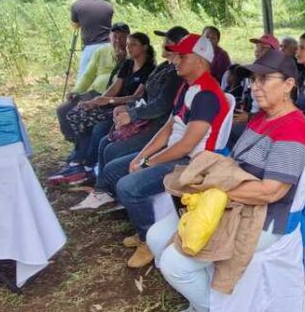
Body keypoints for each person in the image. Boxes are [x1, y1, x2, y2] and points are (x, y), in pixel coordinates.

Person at [145, 48, 305, 312]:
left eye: (264, 79)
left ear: (289, 85)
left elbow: (270, 192)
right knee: (156, 236)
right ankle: (201, 303)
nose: (255, 87)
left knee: (175, 263)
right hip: (232, 203)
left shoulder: (294, 130)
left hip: (265, 218)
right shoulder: (262, 118)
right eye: (254, 79)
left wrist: (216, 186)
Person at [96, 33, 230, 268]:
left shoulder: (206, 95)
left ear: (200, 60)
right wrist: (141, 156)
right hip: (176, 153)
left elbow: (187, 145)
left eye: (182, 56)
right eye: (176, 55)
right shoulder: (187, 87)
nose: (175, 60)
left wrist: (149, 162)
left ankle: (149, 239)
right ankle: (147, 225)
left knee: (127, 186)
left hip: (194, 163)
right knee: (114, 169)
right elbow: (169, 128)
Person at [70, 27, 185, 210]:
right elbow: (144, 96)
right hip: (146, 119)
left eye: (168, 41)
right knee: (105, 142)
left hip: (157, 125)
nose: (164, 44)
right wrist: (126, 107)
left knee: (112, 149)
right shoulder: (165, 67)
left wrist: (131, 114)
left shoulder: (175, 74)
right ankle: (103, 191)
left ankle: (108, 192)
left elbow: (161, 106)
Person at [50, 30, 156, 185]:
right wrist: (96, 101)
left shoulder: (150, 68)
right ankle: (79, 158)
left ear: (145, 47)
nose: (129, 48)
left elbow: (137, 97)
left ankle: (88, 165)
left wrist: (109, 101)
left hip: (126, 108)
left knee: (99, 128)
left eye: (133, 45)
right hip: (112, 104)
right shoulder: (127, 64)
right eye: (128, 45)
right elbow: (115, 86)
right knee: (76, 114)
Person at [55, 22, 129, 146]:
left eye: (122, 37)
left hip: (114, 97)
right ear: (109, 36)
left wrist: (122, 60)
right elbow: (88, 75)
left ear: (128, 37)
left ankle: (84, 148)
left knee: (85, 115)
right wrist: (76, 91)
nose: (118, 40)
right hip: (95, 92)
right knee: (63, 109)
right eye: (115, 36)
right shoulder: (101, 51)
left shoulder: (131, 53)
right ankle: (76, 142)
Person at [227, 33, 280, 147]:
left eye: (264, 48)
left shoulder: (277, 77)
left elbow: (276, 113)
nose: (258, 51)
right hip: (253, 117)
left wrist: (249, 117)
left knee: (228, 130)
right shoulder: (254, 70)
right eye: (257, 47)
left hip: (265, 126)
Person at [71, 0, 114, 80]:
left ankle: (79, 94)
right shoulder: (108, 5)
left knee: (83, 78)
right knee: (106, 76)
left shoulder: (77, 5)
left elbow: (75, 26)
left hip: (91, 46)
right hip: (108, 45)